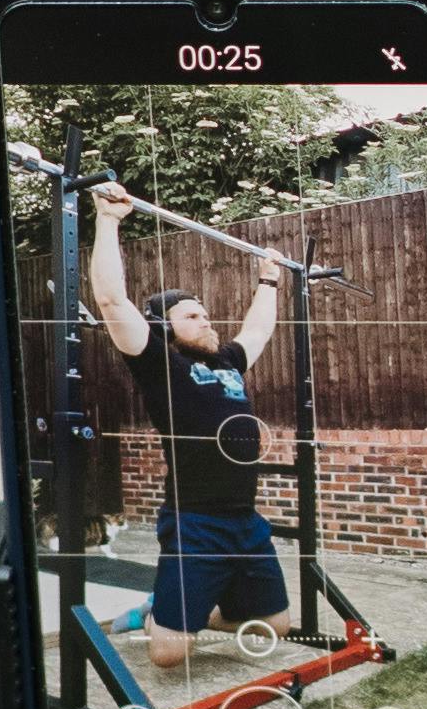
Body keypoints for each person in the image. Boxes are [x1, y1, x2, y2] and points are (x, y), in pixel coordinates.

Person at [83, 197, 288, 638]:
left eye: (205, 314)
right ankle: (156, 615)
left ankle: (183, 613)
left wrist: (269, 280)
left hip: (245, 519)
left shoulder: (228, 361)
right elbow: (110, 299)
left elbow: (257, 330)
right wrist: (107, 219)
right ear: (163, 328)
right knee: (170, 655)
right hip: (195, 519)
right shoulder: (161, 366)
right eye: (191, 317)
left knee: (275, 627)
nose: (206, 321)